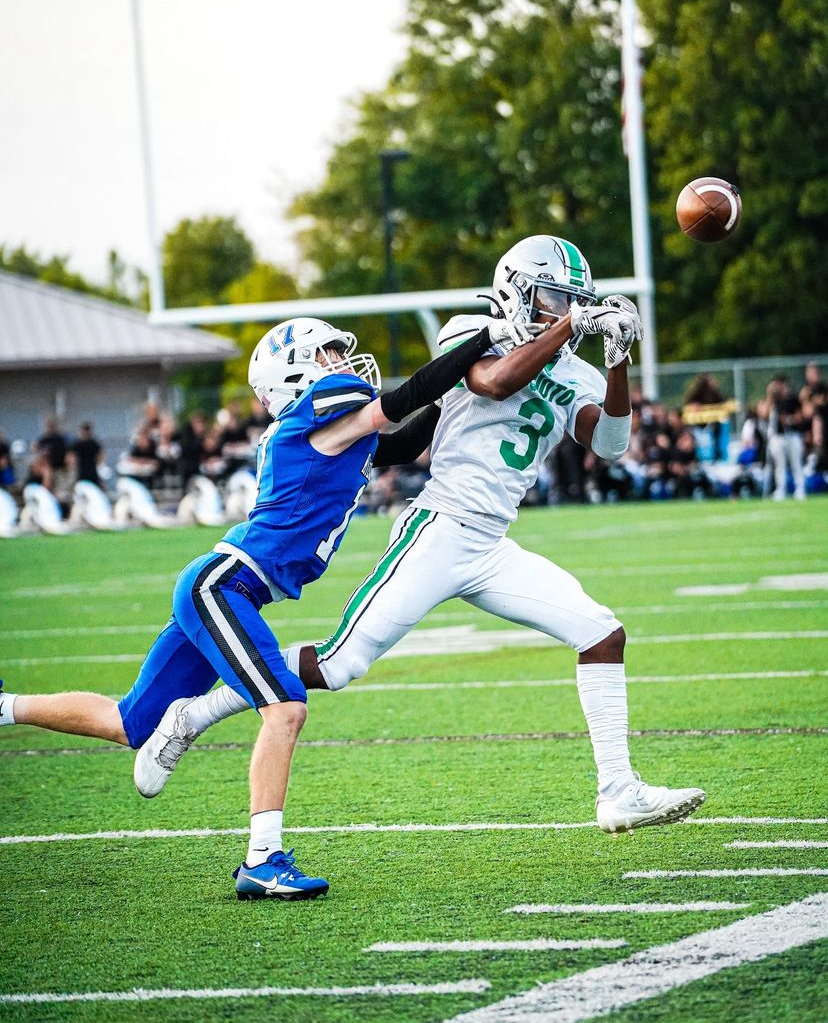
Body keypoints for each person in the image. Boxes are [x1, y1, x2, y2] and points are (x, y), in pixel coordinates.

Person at [0, 313, 572, 900]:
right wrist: (484, 343)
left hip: (222, 586)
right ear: (295, 372)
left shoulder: (335, 429)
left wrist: (470, 393)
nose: (341, 363)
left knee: (129, 722)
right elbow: (406, 399)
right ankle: (262, 859)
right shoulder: (316, 413)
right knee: (286, 708)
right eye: (325, 354)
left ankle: (4, 706)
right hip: (224, 587)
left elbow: (404, 440)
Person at [147, 236, 706, 836]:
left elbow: (612, 445)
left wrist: (617, 357)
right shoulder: (473, 328)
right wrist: (569, 326)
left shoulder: (576, 369)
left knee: (602, 632)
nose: (560, 307)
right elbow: (491, 383)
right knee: (340, 663)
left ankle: (618, 791)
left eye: (570, 299)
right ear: (518, 287)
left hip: (492, 544)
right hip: (438, 528)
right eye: (551, 295)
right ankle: (194, 712)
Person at [766, 374, 806, 500]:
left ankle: (800, 489)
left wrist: (789, 420)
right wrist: (769, 395)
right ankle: (780, 489)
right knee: (780, 465)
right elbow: (766, 413)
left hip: (792, 435)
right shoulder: (775, 400)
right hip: (779, 437)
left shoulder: (793, 398)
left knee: (796, 463)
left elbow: (800, 416)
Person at [69, 422, 105, 488]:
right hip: (81, 468)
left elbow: (100, 454)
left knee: (95, 485)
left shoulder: (93, 443)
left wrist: (98, 463)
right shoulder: (78, 443)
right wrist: (73, 464)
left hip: (92, 468)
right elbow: (71, 455)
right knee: (81, 484)